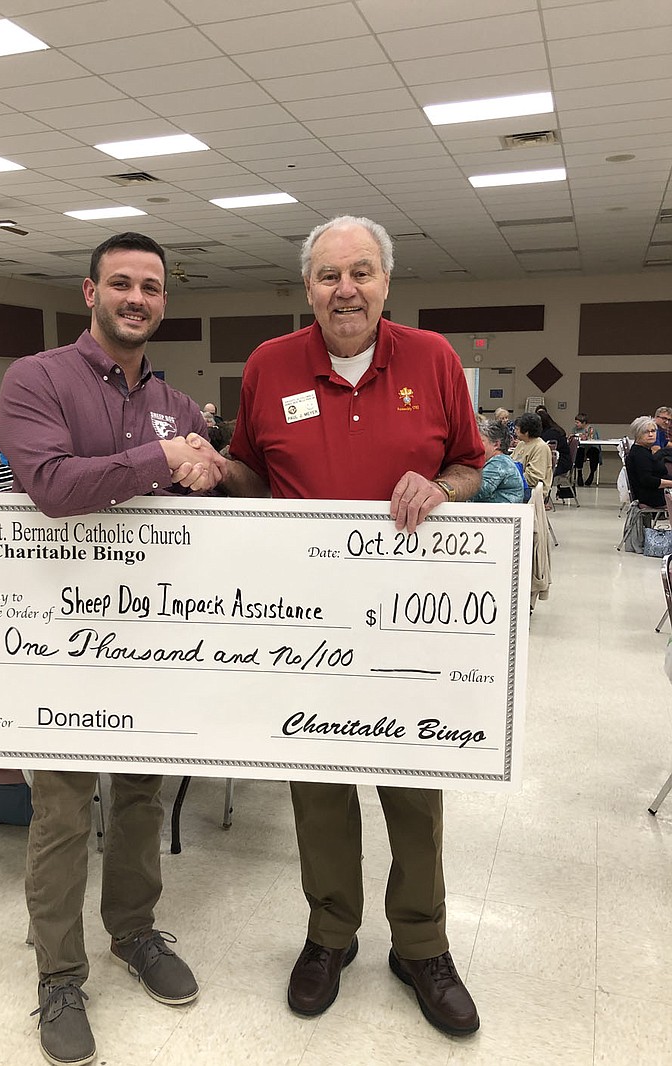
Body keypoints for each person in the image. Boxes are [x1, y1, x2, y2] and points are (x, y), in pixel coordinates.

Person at [220, 216, 484, 1037]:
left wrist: (444, 487)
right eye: (329, 275)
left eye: (361, 273)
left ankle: (422, 944)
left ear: (386, 283)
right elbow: (249, 475)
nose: (346, 290)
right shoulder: (269, 365)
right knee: (320, 794)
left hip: (410, 630)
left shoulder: (434, 359)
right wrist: (200, 467)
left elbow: (473, 464)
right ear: (308, 288)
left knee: (414, 793)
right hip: (308, 628)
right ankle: (330, 934)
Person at [0, 231, 225, 1066]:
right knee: (60, 811)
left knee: (139, 796)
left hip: (151, 642)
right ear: (89, 292)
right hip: (61, 642)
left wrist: (215, 467)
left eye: (152, 287)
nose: (138, 297)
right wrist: (159, 458)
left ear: (165, 301)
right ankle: (59, 975)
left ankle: (133, 933)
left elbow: (211, 482)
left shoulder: (178, 401)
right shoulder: (36, 379)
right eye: (122, 283)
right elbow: (52, 486)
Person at [469, 420, 525, 504]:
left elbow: (478, 493)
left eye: (480, 441)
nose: (475, 445)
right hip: (499, 514)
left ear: (496, 444)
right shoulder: (502, 460)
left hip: (500, 515)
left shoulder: (499, 463)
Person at [625, 416, 672, 508]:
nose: (651, 434)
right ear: (637, 434)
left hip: (654, 492)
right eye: (646, 432)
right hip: (651, 497)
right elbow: (647, 480)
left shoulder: (644, 450)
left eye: (653, 431)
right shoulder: (640, 454)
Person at [512, 413, 553, 498]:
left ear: (526, 432)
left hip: (531, 491)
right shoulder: (522, 444)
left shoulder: (541, 447)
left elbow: (534, 478)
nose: (514, 432)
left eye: (517, 429)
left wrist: (510, 479)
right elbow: (510, 463)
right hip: (518, 486)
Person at [536, 409, 572, 480]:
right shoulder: (554, 429)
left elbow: (540, 447)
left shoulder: (550, 434)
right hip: (563, 460)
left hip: (559, 462)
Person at [572, 412, 600, 486]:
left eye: (577, 422)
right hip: (581, 448)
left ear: (584, 423)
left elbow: (594, 440)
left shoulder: (591, 429)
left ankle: (592, 473)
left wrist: (587, 437)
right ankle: (579, 473)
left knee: (594, 452)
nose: (576, 424)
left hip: (590, 448)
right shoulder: (575, 429)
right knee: (579, 451)